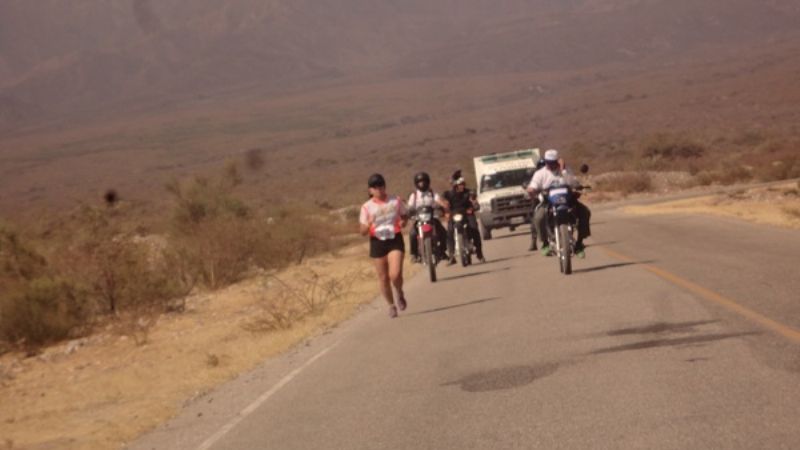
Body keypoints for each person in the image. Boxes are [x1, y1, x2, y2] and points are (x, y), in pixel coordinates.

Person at [359, 173, 409, 318]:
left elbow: (404, 215)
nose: (379, 189)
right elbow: (362, 231)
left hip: (394, 239)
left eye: (381, 185)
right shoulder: (366, 207)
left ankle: (399, 292)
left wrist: (403, 222)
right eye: (375, 187)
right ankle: (391, 305)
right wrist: (368, 224)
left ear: (385, 186)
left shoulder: (395, 201)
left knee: (395, 274)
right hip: (377, 241)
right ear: (370, 191)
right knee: (383, 278)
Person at [526, 149, 592, 258]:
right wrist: (531, 190)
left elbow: (574, 183)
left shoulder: (565, 170)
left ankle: (579, 244)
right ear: (545, 162)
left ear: (558, 161)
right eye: (548, 162)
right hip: (549, 202)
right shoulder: (540, 173)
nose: (550, 165)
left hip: (568, 201)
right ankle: (545, 243)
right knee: (538, 217)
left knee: (585, 212)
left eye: (553, 162)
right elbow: (533, 185)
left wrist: (563, 171)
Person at [443, 170, 486, 264]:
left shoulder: (469, 192)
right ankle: (451, 256)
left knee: (474, 228)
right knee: (449, 232)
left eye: (463, 184)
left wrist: (474, 206)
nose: (462, 186)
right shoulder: (449, 194)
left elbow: (474, 202)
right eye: (459, 184)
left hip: (467, 213)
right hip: (454, 215)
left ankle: (479, 254)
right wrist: (445, 211)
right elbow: (445, 205)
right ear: (455, 185)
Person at [407, 172, 449, 263]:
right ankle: (414, 255)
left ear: (428, 182)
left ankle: (442, 251)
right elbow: (410, 206)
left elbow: (439, 200)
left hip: (432, 218)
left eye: (424, 181)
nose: (422, 184)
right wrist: (409, 212)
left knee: (443, 232)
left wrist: (443, 205)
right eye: (420, 182)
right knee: (412, 234)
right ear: (416, 184)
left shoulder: (432, 193)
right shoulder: (414, 195)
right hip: (419, 219)